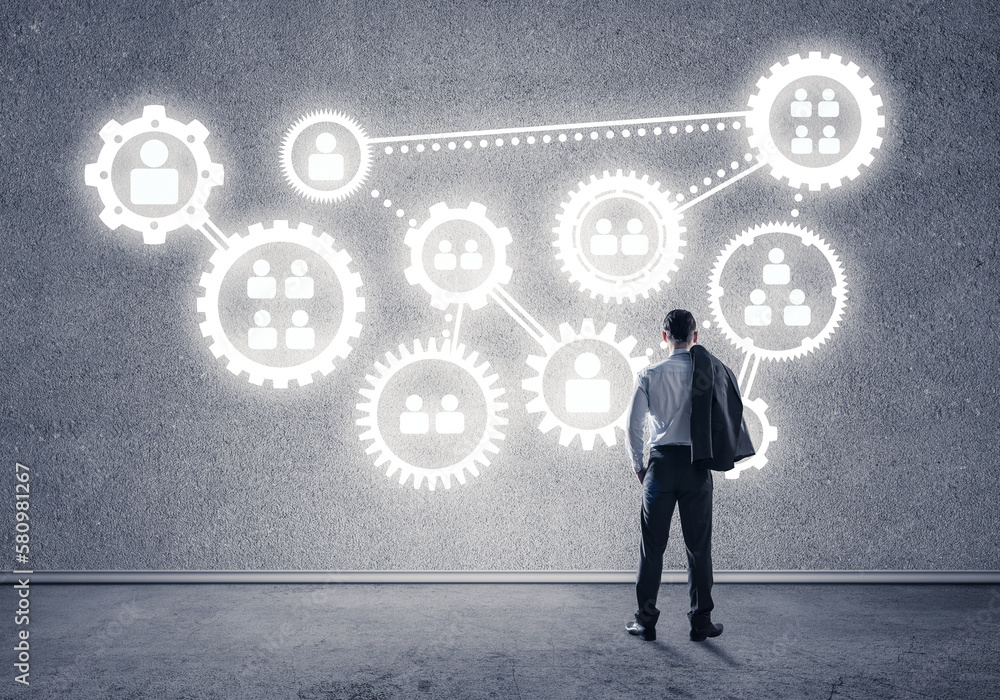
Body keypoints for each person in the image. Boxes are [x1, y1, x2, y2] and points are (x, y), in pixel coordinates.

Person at [623, 309, 754, 642]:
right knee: (699, 548)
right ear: (695, 336)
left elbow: (632, 427)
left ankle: (646, 622)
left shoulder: (649, 374)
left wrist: (641, 466)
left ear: (664, 336)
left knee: (651, 549)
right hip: (697, 466)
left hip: (661, 466)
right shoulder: (709, 373)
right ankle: (700, 623)